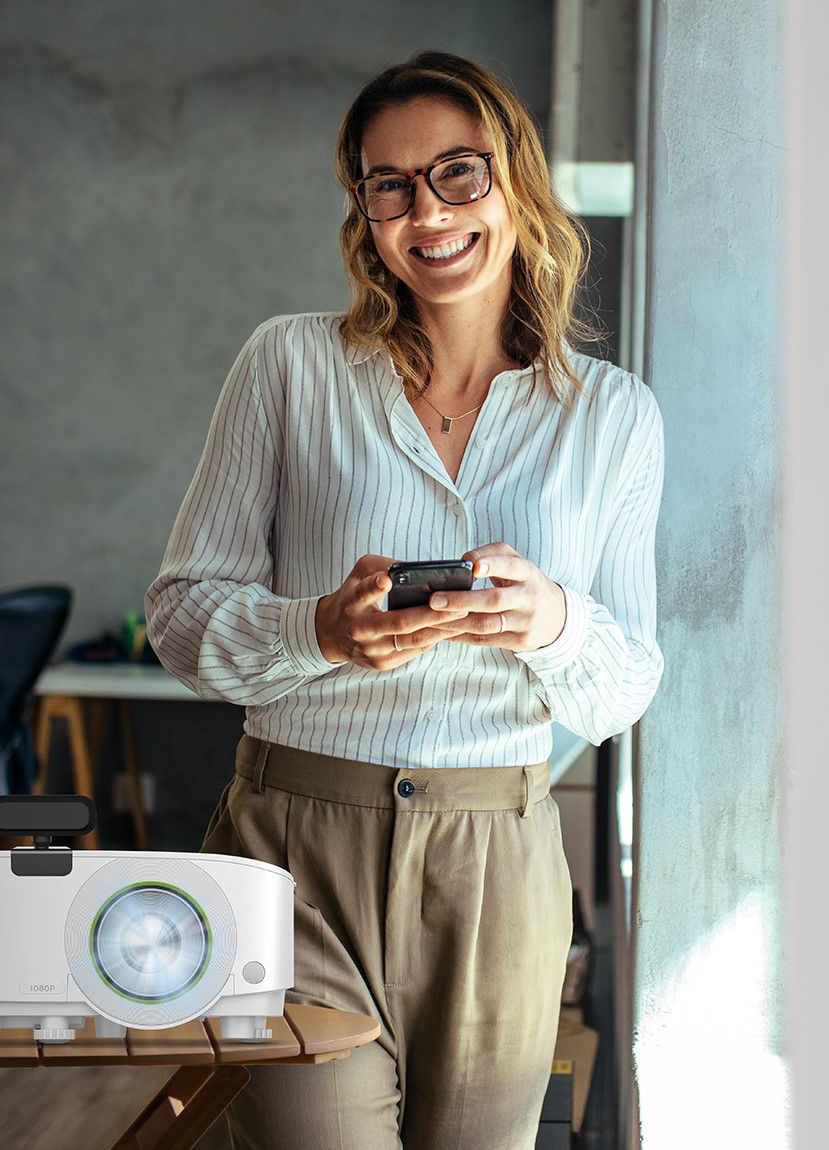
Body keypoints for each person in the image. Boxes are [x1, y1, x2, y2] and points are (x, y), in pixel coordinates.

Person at [144, 49, 664, 1150]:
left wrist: (554, 621)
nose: (425, 210)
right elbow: (181, 614)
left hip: (499, 863)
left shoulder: (614, 417)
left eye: (457, 173)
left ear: (515, 182)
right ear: (364, 211)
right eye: (389, 184)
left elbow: (625, 687)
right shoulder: (287, 366)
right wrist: (319, 629)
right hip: (292, 855)